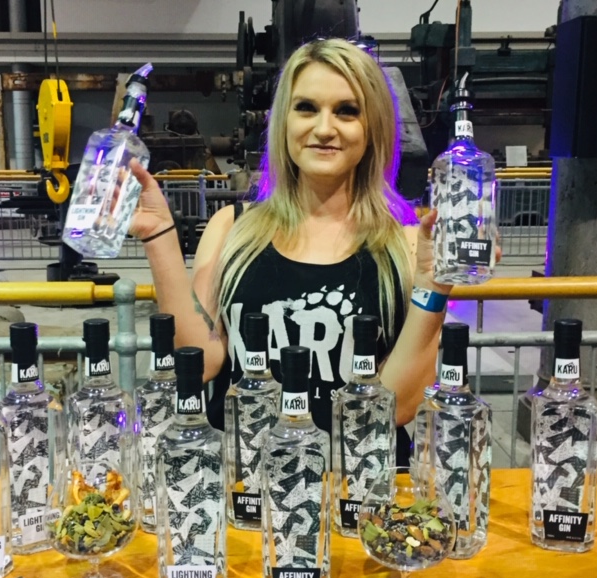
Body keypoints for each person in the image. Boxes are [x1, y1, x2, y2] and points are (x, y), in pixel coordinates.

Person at [129, 38, 451, 465]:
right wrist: (159, 237)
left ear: (372, 126)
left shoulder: (406, 245)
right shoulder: (233, 229)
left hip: (356, 485)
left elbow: (399, 406)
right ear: (284, 121)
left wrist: (434, 287)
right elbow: (202, 363)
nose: (324, 128)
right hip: (246, 481)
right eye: (306, 108)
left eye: (346, 111)